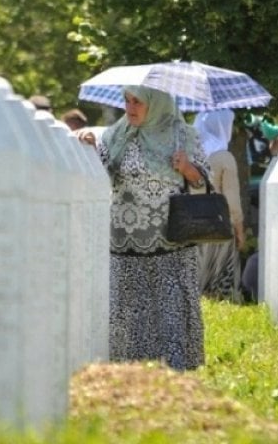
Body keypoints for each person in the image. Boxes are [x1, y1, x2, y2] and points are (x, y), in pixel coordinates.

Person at [76, 85, 209, 371]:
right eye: (127, 101)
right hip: (125, 240)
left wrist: (188, 169)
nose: (130, 108)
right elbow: (102, 174)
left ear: (156, 103)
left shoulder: (182, 135)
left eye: (138, 102)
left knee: (169, 308)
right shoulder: (117, 135)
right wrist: (90, 146)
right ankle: (130, 371)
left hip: (171, 240)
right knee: (129, 308)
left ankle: (175, 370)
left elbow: (204, 185)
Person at [193, 109, 246, 303]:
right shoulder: (224, 157)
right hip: (219, 225)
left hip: (191, 223)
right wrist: (239, 230)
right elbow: (231, 201)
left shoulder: (190, 152)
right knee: (220, 282)